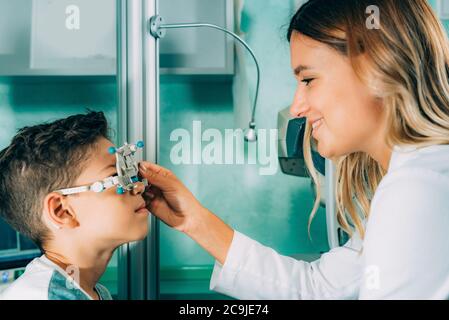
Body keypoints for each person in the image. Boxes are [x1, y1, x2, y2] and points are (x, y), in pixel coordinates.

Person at [139, 0, 449, 299]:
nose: (297, 107)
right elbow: (317, 288)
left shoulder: (418, 187)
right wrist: (193, 220)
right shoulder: (420, 179)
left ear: (378, 67)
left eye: (309, 80)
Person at [0, 111, 149, 300]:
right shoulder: (42, 296)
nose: (137, 187)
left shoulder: (90, 291)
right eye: (116, 178)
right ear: (61, 211)